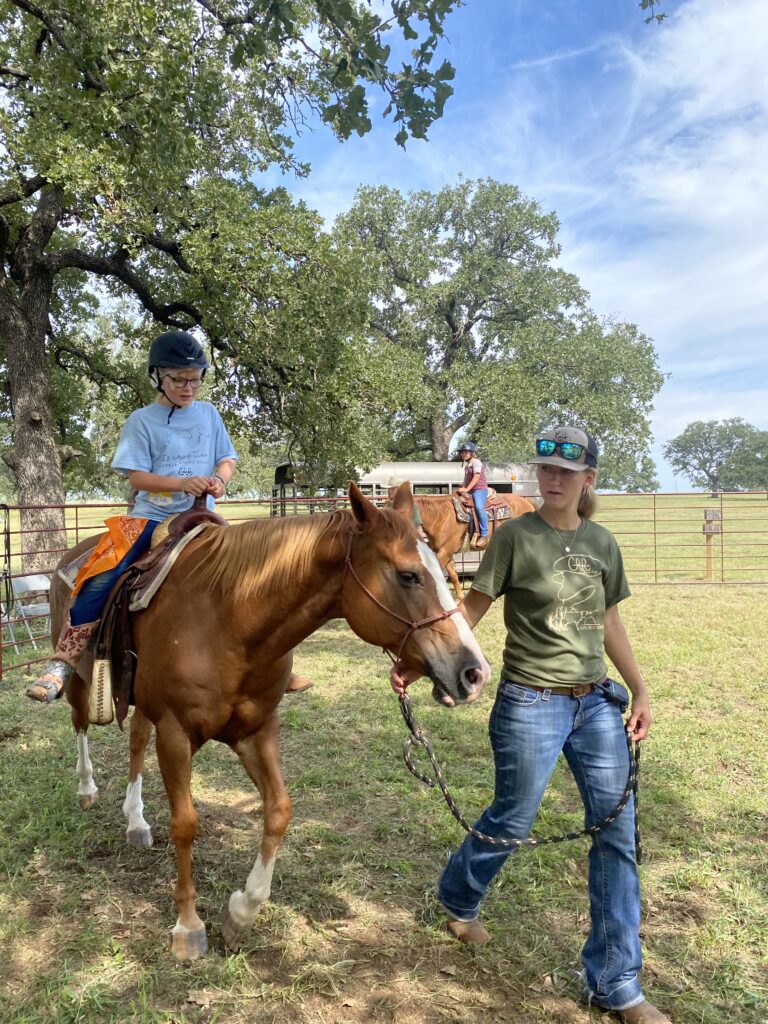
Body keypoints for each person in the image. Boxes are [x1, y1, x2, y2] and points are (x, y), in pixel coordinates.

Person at [392, 426, 670, 1024]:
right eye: (545, 468)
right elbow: (473, 609)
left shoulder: (603, 543)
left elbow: (610, 624)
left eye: (566, 472)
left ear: (587, 479)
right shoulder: (514, 538)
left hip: (596, 702)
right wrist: (423, 659)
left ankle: (617, 983)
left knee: (617, 832)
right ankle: (461, 895)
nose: (553, 479)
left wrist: (641, 688)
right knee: (513, 816)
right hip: (529, 701)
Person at [26, 330, 238, 702]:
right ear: (157, 376)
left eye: (196, 379)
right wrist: (181, 483)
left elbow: (227, 457)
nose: (189, 387)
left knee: (253, 570)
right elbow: (137, 478)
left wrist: (220, 479)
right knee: (100, 575)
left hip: (203, 517)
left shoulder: (209, 414)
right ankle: (64, 660)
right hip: (150, 517)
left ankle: (263, 664)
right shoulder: (142, 421)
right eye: (178, 379)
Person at [456, 441, 489, 549]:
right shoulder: (467, 466)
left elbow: (476, 477)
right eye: (462, 452)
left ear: (472, 453)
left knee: (479, 508)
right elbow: (466, 479)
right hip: (471, 490)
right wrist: (462, 488)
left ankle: (484, 534)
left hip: (479, 490)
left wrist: (467, 488)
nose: (464, 454)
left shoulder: (476, 462)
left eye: (466, 452)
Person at [387, 476, 429, 542]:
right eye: (389, 489)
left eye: (392, 489)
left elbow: (418, 529)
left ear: (399, 491)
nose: (389, 491)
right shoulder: (388, 506)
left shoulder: (412, 506)